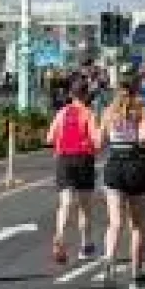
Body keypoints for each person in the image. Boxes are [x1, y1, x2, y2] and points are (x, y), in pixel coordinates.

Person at [97, 74, 145, 289]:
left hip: (114, 164)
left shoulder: (108, 112)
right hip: (135, 164)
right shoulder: (142, 112)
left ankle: (109, 260)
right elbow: (144, 138)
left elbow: (100, 142)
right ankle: (136, 273)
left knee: (115, 222)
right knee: (137, 225)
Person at [45, 78, 99, 264]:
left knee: (65, 202)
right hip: (83, 159)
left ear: (71, 94)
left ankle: (60, 235)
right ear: (85, 95)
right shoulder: (88, 114)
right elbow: (96, 140)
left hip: (64, 160)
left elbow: (50, 137)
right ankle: (86, 245)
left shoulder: (62, 113)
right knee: (85, 206)